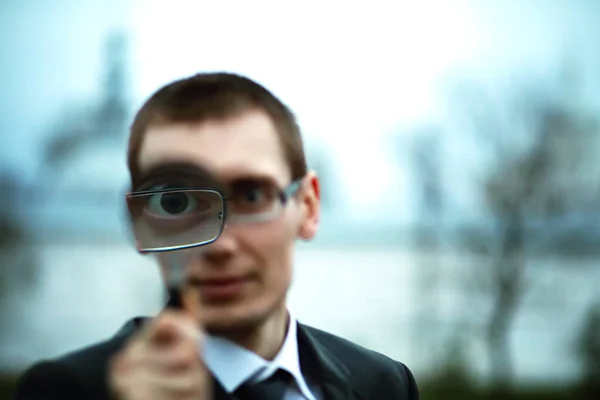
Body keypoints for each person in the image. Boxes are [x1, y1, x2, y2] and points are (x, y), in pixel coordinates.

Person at [14, 72, 419, 400]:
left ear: (309, 208)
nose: (220, 244)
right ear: (139, 224)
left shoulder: (384, 384)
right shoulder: (63, 391)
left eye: (252, 195)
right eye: (176, 204)